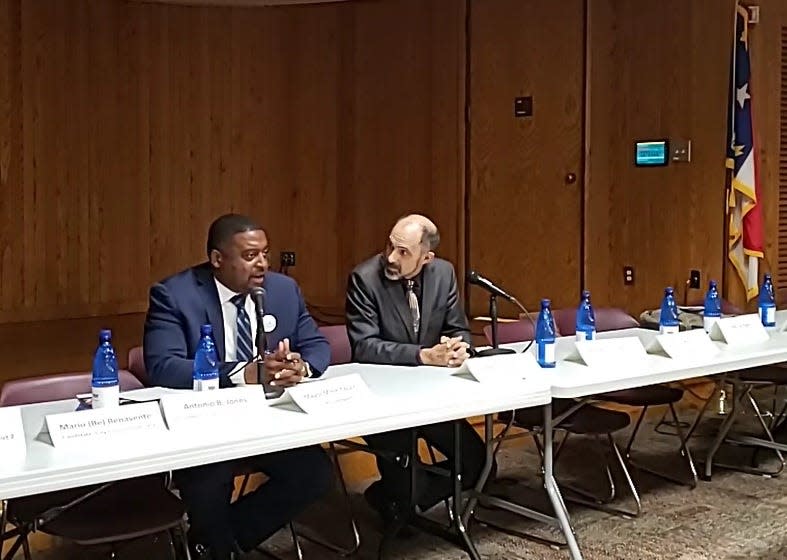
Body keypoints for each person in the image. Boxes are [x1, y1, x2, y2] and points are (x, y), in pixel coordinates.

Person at [144, 213, 333, 560]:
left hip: (268, 420)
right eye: (250, 256)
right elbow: (163, 366)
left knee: (314, 474)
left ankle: (218, 544)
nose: (262, 264)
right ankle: (214, 543)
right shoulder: (174, 295)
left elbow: (317, 345)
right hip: (206, 422)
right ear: (218, 260)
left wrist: (300, 367)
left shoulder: (283, 290)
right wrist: (240, 374)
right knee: (209, 485)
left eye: (265, 253)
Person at [345, 214, 491, 526]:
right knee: (409, 489)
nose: (391, 258)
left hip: (431, 397)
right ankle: (400, 497)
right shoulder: (365, 278)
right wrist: (422, 355)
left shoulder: (443, 273)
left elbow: (458, 328)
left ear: (427, 258)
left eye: (404, 252)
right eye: (390, 247)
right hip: (384, 401)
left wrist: (461, 347)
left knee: (480, 465)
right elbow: (364, 346)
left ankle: (396, 498)